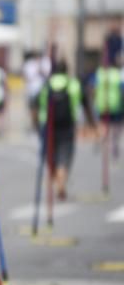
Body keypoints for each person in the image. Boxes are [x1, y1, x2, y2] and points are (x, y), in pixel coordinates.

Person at [38, 58, 91, 201]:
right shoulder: (73, 84)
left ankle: (57, 179)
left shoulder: (47, 84)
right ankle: (61, 183)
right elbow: (85, 104)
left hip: (48, 125)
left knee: (50, 156)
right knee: (65, 155)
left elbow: (38, 104)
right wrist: (91, 124)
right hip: (67, 126)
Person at [89, 51, 122, 160]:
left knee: (103, 125)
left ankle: (103, 142)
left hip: (102, 104)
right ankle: (114, 145)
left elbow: (92, 88)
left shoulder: (99, 73)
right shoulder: (117, 74)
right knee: (116, 126)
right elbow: (122, 90)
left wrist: (93, 100)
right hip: (115, 104)